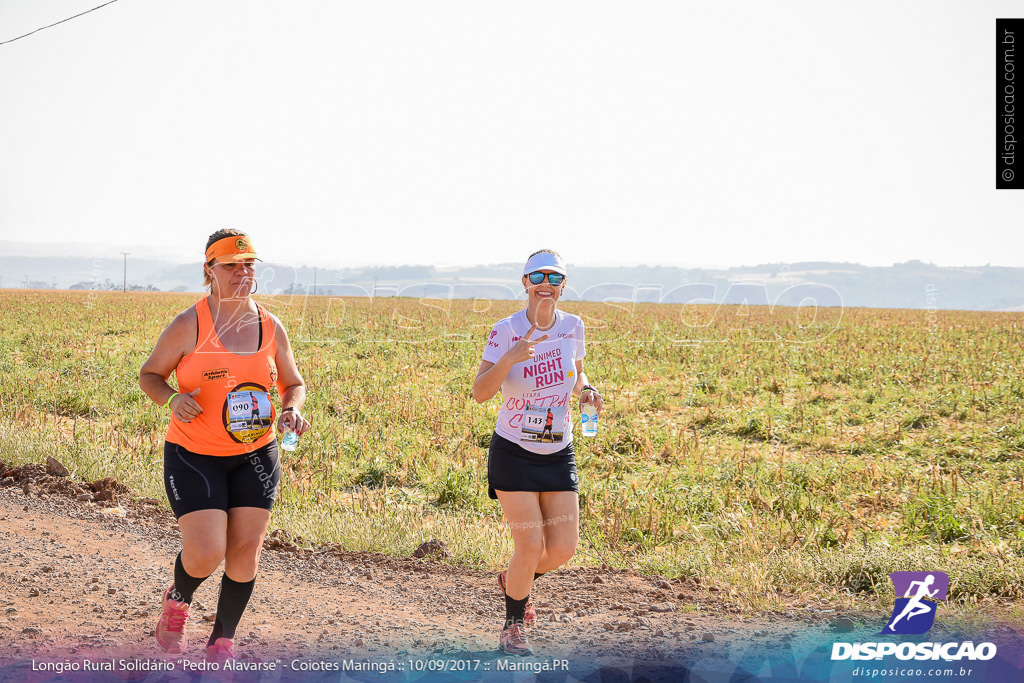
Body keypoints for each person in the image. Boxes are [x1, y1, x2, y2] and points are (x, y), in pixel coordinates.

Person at [139, 229, 310, 665]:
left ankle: (222, 640)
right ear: (209, 271)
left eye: (249, 265)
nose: (242, 273)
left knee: (244, 551)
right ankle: (178, 601)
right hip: (195, 455)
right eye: (231, 265)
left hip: (257, 455)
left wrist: (291, 409)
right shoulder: (188, 324)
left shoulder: (271, 326)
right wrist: (173, 399)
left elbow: (294, 383)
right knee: (206, 551)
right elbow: (150, 376)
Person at [473, 249, 604, 656]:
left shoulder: (574, 326)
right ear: (525, 283)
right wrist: (509, 358)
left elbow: (578, 369)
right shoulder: (505, 329)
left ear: (564, 286)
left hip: (558, 448)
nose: (546, 284)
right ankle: (513, 626)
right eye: (537, 277)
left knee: (563, 548)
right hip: (513, 451)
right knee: (529, 546)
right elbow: (480, 393)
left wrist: (587, 388)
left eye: (555, 278)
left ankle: (514, 578)